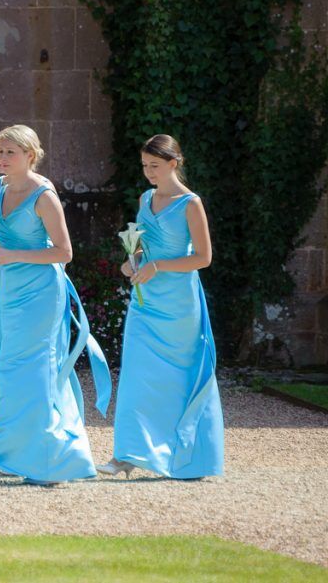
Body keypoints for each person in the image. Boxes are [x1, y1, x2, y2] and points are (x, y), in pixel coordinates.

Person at [0, 125, 110, 486]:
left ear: (30, 156)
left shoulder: (44, 197)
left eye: (10, 152)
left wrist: (12, 255)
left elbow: (64, 253)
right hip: (7, 291)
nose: (1, 159)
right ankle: (52, 461)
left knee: (29, 372)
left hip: (40, 295)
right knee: (8, 369)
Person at [98, 134, 223, 480]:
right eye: (144, 166)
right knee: (136, 375)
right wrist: (133, 261)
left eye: (154, 166)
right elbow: (145, 247)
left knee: (178, 380)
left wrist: (158, 266)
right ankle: (127, 454)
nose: (148, 172)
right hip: (145, 301)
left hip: (179, 305)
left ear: (173, 163)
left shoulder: (190, 203)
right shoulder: (146, 198)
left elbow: (203, 257)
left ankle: (189, 456)